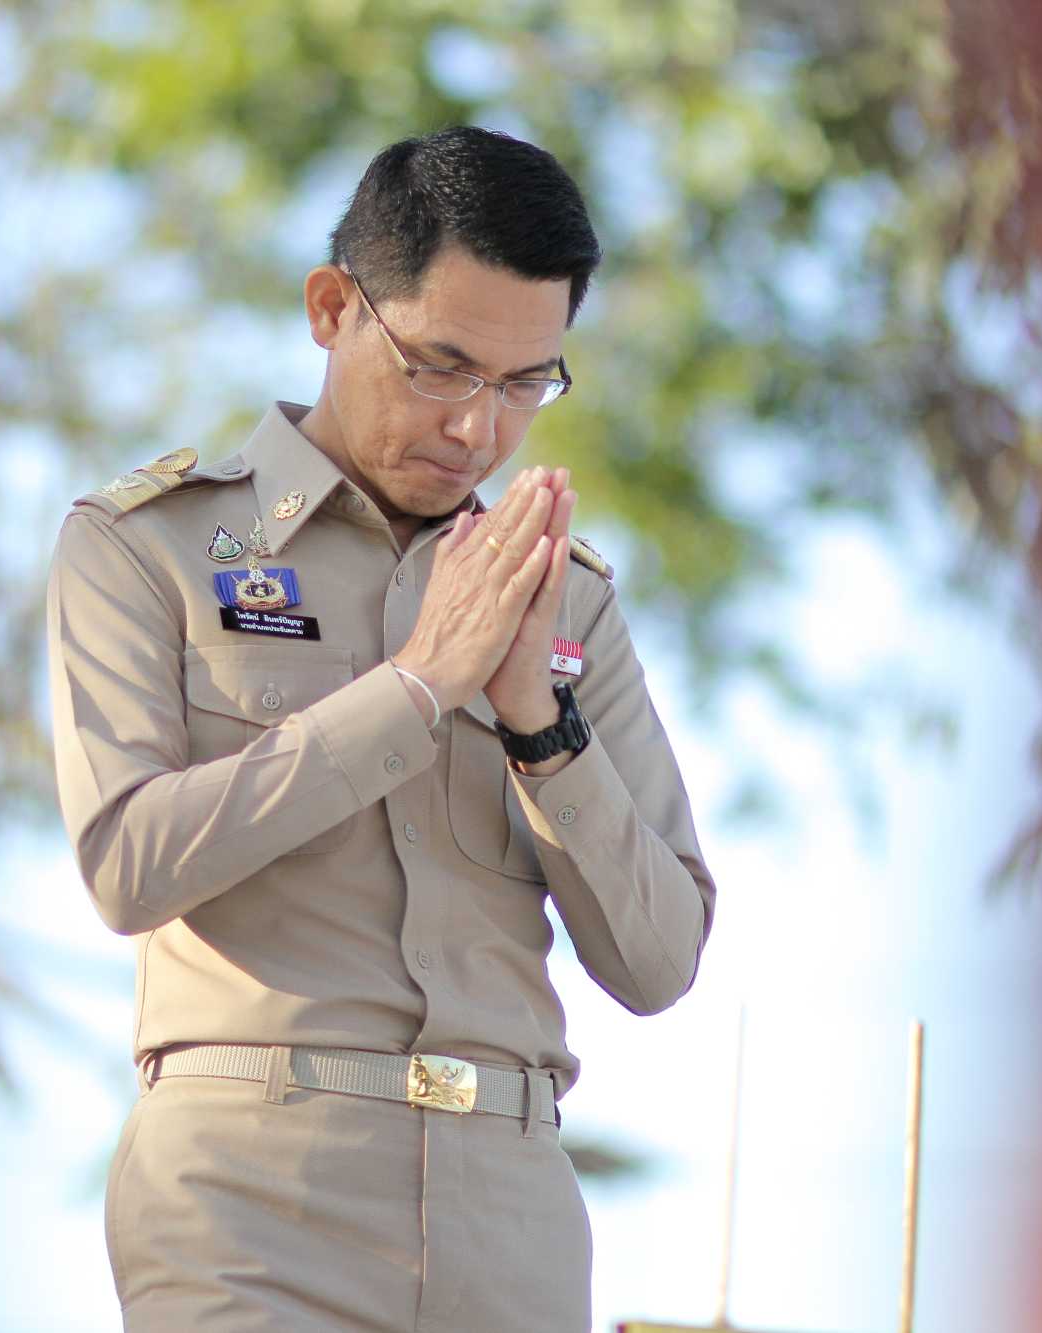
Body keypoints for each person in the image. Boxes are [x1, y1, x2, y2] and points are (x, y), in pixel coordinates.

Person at [46, 126, 716, 1332]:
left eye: (523, 384)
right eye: (440, 367)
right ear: (330, 308)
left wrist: (535, 721)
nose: (476, 430)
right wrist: (416, 687)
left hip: (510, 1215)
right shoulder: (145, 546)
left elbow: (659, 960)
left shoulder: (564, 600)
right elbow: (126, 863)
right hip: (248, 1210)